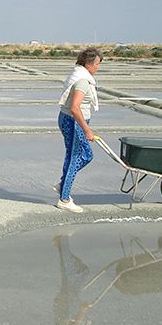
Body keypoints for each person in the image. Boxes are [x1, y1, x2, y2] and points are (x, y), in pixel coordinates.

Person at [55, 48, 102, 213]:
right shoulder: (82, 81)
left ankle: (63, 186)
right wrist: (87, 130)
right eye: (97, 64)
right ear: (89, 63)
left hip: (69, 119)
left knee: (73, 156)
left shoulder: (78, 74)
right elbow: (75, 108)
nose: (98, 67)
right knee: (81, 156)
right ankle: (64, 199)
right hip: (74, 121)